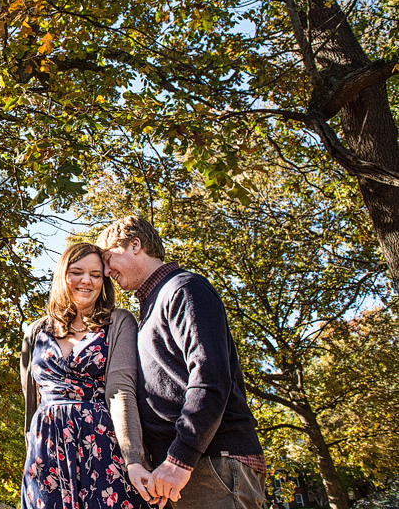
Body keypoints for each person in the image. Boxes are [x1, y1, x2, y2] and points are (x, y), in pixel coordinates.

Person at [97, 216, 266, 509]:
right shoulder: (150, 306)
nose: (107, 270)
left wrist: (180, 459)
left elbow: (210, 377)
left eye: (109, 258)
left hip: (212, 465)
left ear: (135, 245)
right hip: (180, 472)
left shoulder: (184, 289)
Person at [20, 242, 155, 509]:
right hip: (45, 448)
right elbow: (31, 402)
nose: (87, 281)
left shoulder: (119, 322)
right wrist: (30, 453)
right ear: (63, 275)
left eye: (95, 275)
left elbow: (120, 392)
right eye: (78, 272)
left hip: (101, 443)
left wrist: (134, 459)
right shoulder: (35, 332)